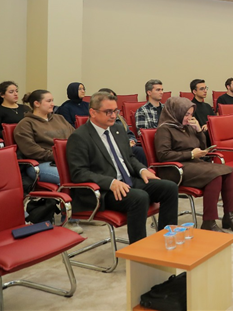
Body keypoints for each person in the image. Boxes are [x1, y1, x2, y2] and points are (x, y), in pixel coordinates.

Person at [67, 92, 179, 243]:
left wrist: (142, 170)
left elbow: (129, 157)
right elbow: (79, 173)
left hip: (128, 181)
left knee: (169, 188)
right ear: (93, 112)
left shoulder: (118, 130)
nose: (113, 115)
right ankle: (138, 249)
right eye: (108, 112)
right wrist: (110, 182)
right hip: (105, 190)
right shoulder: (80, 137)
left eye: (115, 111)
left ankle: (167, 239)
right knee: (139, 197)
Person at [154, 97, 233, 233]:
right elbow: (163, 155)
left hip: (193, 164)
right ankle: (209, 221)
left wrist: (198, 131)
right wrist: (190, 154)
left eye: (191, 114)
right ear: (176, 113)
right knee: (214, 175)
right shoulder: (164, 129)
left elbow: (202, 146)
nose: (189, 118)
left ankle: (229, 216)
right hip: (174, 169)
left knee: (228, 171)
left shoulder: (187, 127)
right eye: (186, 114)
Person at [14, 89, 74, 185]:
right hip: (42, 163)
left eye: (52, 101)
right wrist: (58, 156)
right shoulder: (25, 124)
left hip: (68, 160)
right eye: (49, 101)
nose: (52, 104)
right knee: (72, 177)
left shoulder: (59, 118)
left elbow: (75, 137)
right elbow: (31, 150)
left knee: (90, 173)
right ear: (37, 103)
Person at [97, 88, 147, 165]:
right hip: (109, 150)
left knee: (140, 151)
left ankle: (142, 171)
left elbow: (129, 134)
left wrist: (131, 141)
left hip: (125, 148)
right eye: (110, 98)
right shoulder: (97, 119)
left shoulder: (119, 118)